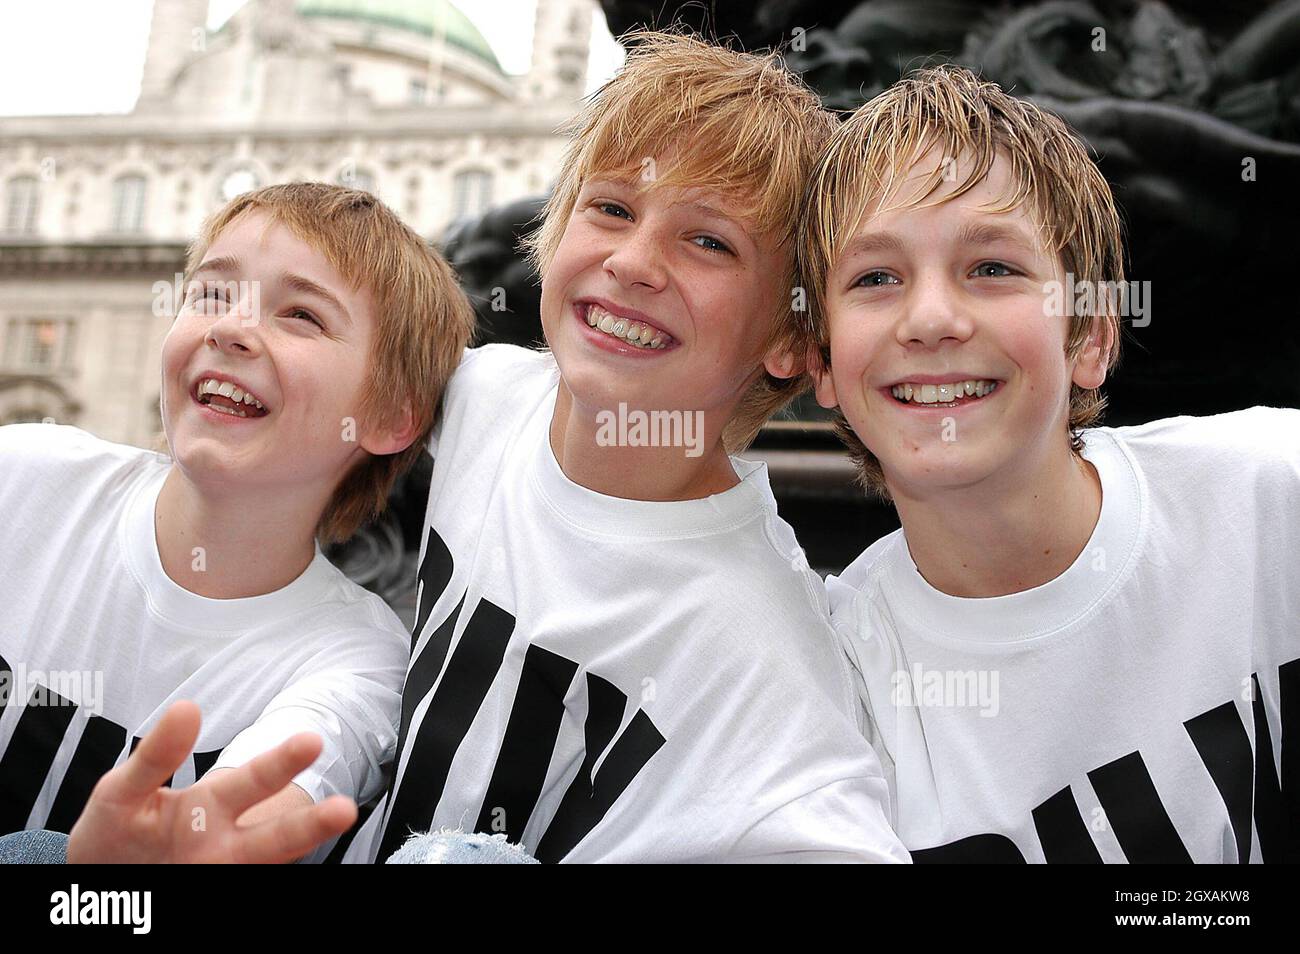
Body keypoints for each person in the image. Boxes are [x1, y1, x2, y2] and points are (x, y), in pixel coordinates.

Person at [800, 64, 1300, 862]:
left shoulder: (1277, 496)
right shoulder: (831, 689)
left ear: (1092, 338)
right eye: (876, 277)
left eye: (993, 268)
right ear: (820, 362)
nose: (930, 317)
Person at [0, 182, 475, 863]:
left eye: (302, 316)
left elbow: (291, 780)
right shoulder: (23, 477)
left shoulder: (356, 657)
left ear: (392, 416)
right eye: (211, 295)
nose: (228, 328)